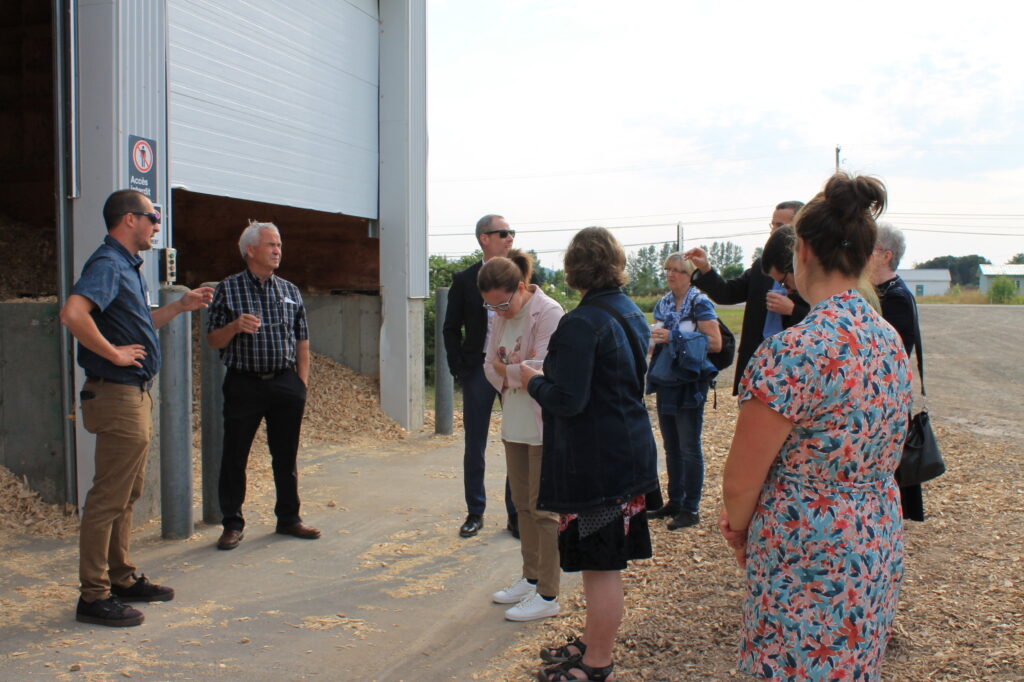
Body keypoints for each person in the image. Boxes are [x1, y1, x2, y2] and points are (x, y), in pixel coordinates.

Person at [719, 173, 913, 680]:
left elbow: (741, 481)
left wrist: (739, 533)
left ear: (801, 250)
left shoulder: (794, 351)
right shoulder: (887, 339)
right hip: (874, 535)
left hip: (807, 545)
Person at [60, 189, 214, 627]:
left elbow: (141, 325)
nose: (157, 226)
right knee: (108, 498)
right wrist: (112, 353)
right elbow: (73, 314)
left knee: (126, 494)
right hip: (118, 394)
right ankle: (93, 597)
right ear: (129, 220)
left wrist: (181, 306)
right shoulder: (108, 264)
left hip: (132, 393)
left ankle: (121, 578)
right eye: (153, 217)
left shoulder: (126, 267)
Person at [522, 227, 658, 682]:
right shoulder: (629, 310)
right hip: (627, 451)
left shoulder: (581, 322)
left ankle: (597, 663)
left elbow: (568, 400)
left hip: (597, 463)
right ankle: (592, 640)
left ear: (574, 269)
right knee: (601, 563)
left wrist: (532, 381)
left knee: (601, 567)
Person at [206, 221, 320, 550]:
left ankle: (289, 518)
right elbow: (213, 340)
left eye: (279, 246)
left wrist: (301, 384)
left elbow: (303, 341)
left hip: (285, 383)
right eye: (271, 245)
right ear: (250, 250)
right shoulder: (228, 289)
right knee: (235, 456)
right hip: (244, 383)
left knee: (285, 456)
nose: (277, 251)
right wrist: (235, 326)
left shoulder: (290, 290)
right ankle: (232, 523)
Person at [480, 250, 565, 621]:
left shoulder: (548, 312)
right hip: (514, 420)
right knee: (522, 504)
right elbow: (488, 366)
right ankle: (530, 577)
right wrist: (516, 370)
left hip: (542, 424)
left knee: (545, 510)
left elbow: (544, 369)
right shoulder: (498, 316)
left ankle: (549, 593)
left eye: (502, 304)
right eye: (491, 307)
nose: (498, 313)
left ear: (519, 288)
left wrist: (510, 370)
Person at [442, 214, 518, 538]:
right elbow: (450, 329)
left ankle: (517, 515)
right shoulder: (464, 280)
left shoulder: (521, 275)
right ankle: (475, 512)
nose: (510, 237)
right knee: (475, 444)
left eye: (512, 232)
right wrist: (460, 368)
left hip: (513, 371)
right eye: (504, 233)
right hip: (478, 371)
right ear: (484, 238)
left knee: (517, 440)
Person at [684, 201, 809, 395]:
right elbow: (727, 294)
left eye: (780, 226)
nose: (774, 231)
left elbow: (822, 318)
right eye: (773, 225)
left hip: (792, 363)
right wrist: (706, 269)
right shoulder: (761, 267)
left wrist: (793, 310)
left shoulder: (812, 269)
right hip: (756, 360)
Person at [646, 254, 722, 530]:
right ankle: (675, 501)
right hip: (667, 380)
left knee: (689, 447)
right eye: (668, 269)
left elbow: (714, 342)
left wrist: (675, 336)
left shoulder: (700, 303)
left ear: (690, 276)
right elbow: (656, 340)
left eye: (678, 270)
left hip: (690, 382)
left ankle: (691, 508)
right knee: (671, 446)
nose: (671, 274)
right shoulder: (663, 303)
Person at [869, 221, 924, 522]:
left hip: (886, 397)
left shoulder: (896, 297)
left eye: (870, 247)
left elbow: (894, 353)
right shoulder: (883, 291)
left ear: (885, 255)